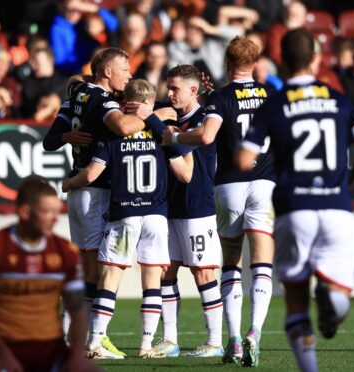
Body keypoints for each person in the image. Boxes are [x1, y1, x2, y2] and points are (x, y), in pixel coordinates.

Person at [236, 28, 354, 372]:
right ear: (316, 58)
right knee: (340, 290)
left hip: (293, 209)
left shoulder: (275, 104)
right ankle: (334, 302)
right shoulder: (339, 100)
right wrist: (349, 179)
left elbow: (243, 160)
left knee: (297, 300)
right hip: (336, 207)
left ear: (282, 61)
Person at [43, 47, 176, 358]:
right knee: (94, 271)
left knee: (86, 268)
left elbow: (50, 140)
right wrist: (154, 115)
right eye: (125, 69)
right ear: (106, 73)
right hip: (94, 189)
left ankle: (69, 337)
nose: (129, 75)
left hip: (78, 193)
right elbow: (124, 127)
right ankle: (90, 340)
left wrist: (66, 137)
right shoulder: (102, 100)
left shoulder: (77, 92)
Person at [163, 36, 275, 367]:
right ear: (255, 63)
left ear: (227, 63)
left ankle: (234, 341)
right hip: (265, 183)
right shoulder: (271, 94)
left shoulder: (220, 97)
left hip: (230, 186)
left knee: (231, 264)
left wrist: (176, 137)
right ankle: (255, 332)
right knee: (262, 264)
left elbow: (207, 136)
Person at [62, 79, 194, 359]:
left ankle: (95, 341)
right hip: (156, 216)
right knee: (152, 282)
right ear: (149, 103)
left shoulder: (112, 137)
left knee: (109, 278)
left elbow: (92, 175)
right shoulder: (162, 133)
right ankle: (146, 346)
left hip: (124, 215)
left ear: (124, 105)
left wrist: (69, 183)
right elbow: (184, 174)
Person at [0, 177, 99, 372]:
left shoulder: (65, 251)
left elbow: (78, 309)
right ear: (24, 212)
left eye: (57, 211)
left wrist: (76, 355)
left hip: (51, 351)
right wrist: (3, 356)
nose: (55, 218)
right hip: (6, 349)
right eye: (47, 212)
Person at [151, 65, 224, 358]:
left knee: (203, 272)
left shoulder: (205, 119)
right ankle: (170, 340)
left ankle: (215, 341)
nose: (169, 94)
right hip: (167, 205)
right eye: (168, 88)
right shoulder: (165, 113)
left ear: (193, 91)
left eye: (175, 89)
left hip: (197, 206)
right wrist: (156, 117)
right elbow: (135, 111)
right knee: (166, 271)